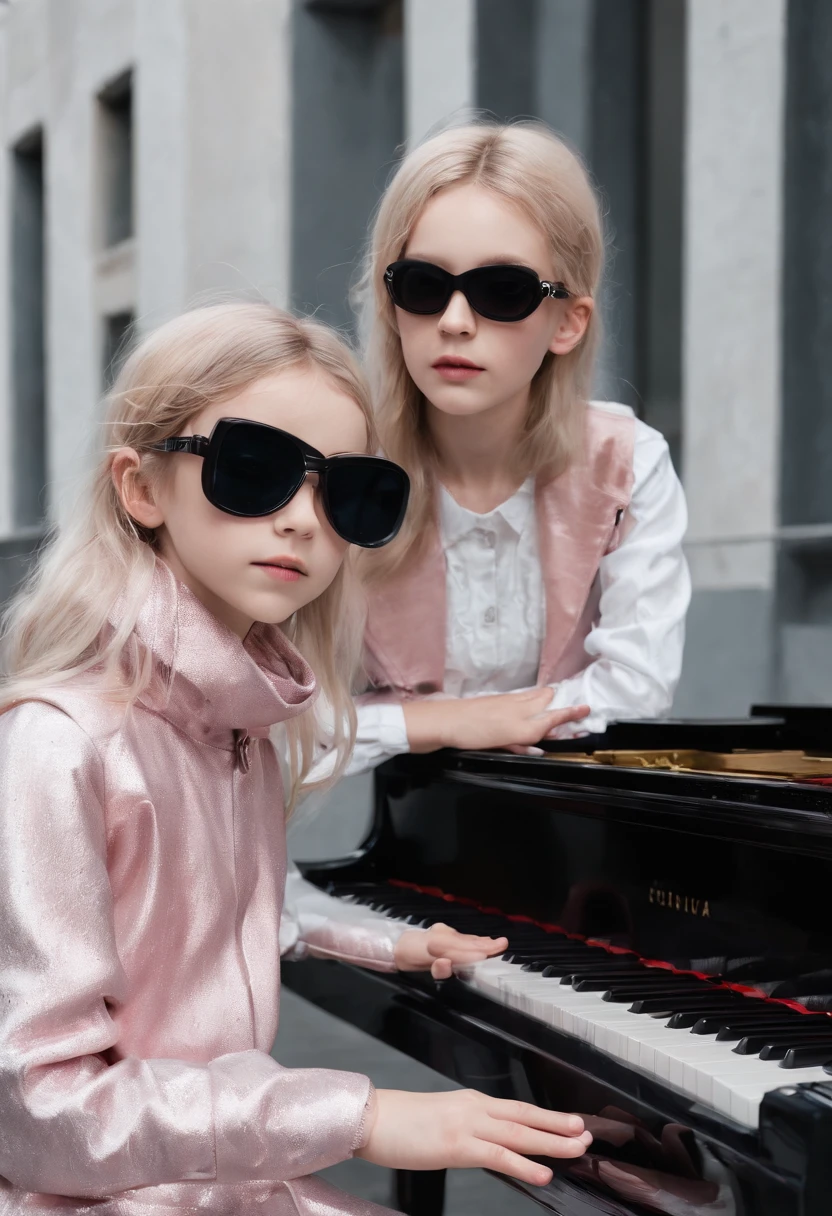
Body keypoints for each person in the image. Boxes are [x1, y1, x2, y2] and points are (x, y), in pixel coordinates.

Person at [0, 302, 591, 1215]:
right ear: (141, 488)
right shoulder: (64, 741)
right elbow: (40, 1111)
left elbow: (219, 922)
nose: (304, 521)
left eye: (348, 491)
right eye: (254, 469)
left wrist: (390, 944)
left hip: (225, 1179)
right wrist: (360, 1116)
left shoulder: (243, 724)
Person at [348, 121, 690, 772]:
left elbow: (636, 694)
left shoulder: (627, 462)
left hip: (584, 828)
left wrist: (386, 725)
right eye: (421, 285)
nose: (453, 321)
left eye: (501, 292)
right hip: (407, 834)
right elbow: (272, 725)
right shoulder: (340, 467)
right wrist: (449, 721)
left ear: (568, 321)